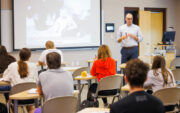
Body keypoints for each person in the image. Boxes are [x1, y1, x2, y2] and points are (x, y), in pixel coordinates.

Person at [2, 48, 38, 113]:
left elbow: (5, 77)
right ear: (29, 56)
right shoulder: (34, 66)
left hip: (16, 99)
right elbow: (36, 80)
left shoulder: (12, 65)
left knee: (11, 94)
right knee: (27, 94)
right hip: (32, 98)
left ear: (19, 55)